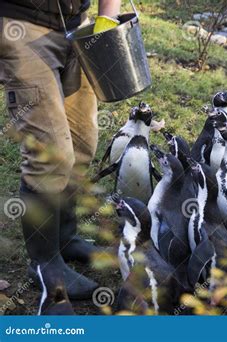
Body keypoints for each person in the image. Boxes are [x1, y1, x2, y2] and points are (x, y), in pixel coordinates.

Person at [0, 0, 121, 314]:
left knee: (82, 146)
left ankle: (65, 239)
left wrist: (106, 21)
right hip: (21, 25)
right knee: (50, 155)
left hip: (77, 27)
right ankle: (45, 266)